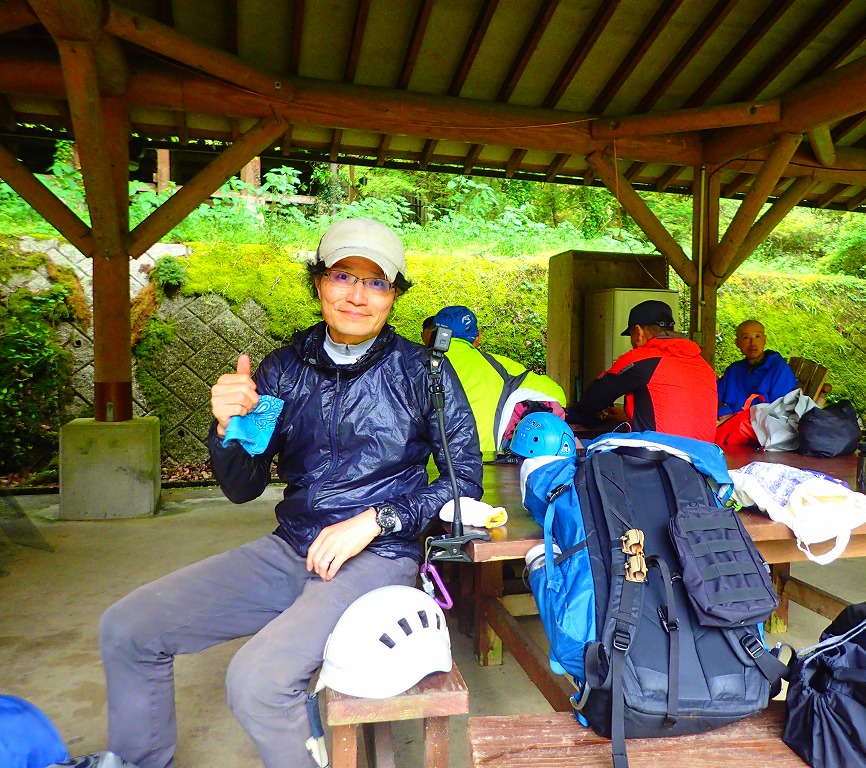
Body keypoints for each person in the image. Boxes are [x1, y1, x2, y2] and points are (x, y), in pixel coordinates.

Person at [98, 218, 483, 768]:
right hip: (292, 546)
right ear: (318, 282)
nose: (357, 296)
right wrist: (227, 429)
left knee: (257, 682)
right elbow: (243, 486)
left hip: (379, 556)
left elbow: (464, 479)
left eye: (376, 282)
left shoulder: (425, 372)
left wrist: (376, 519)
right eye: (343, 276)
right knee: (128, 628)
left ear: (394, 296)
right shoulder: (282, 369)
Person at [566, 299, 717, 442]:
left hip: (661, 456)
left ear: (638, 332)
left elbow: (595, 397)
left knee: (586, 449)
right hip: (704, 457)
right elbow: (680, 414)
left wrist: (568, 415)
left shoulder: (643, 357)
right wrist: (629, 418)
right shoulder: (703, 365)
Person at [432, 305, 566, 455]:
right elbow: (556, 394)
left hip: (419, 465)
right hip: (480, 461)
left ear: (433, 336)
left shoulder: (416, 363)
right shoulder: (500, 367)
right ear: (477, 337)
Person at [717, 319, 799, 420]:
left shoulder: (780, 371)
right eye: (746, 337)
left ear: (764, 340)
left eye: (758, 336)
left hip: (763, 426)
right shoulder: (734, 370)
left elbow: (780, 413)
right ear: (737, 343)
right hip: (730, 424)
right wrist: (724, 412)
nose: (753, 343)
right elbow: (712, 395)